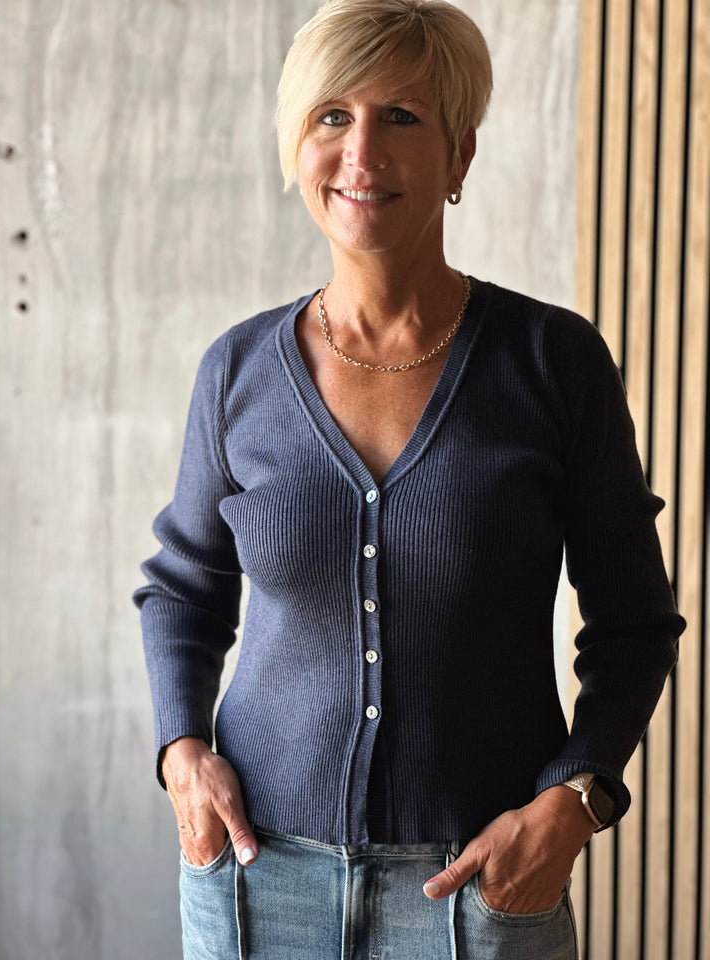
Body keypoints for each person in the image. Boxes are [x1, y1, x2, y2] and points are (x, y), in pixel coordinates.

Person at [134, 1, 685, 957]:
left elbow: (634, 623)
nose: (361, 152)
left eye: (403, 117)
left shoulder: (553, 362)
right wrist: (183, 753)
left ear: (460, 155)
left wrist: (573, 802)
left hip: (483, 882)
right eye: (331, 116)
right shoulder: (237, 370)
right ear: (297, 144)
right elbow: (183, 592)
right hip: (258, 882)